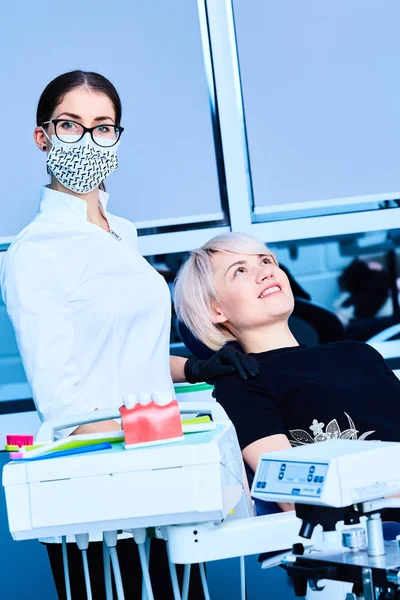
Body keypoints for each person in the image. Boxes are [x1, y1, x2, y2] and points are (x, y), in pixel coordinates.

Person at [0, 71, 258, 600]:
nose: (87, 140)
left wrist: (197, 368)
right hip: (102, 490)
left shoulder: (122, 233)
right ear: (41, 136)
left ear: (117, 137)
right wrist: (139, 443)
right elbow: (61, 397)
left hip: (164, 468)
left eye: (103, 127)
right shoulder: (36, 251)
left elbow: (126, 355)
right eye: (70, 125)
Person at [174, 232, 400, 513]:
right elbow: (297, 500)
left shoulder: (359, 353)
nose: (265, 272)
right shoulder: (242, 383)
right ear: (216, 310)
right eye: (240, 270)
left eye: (266, 260)